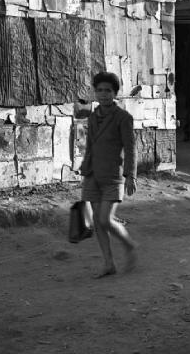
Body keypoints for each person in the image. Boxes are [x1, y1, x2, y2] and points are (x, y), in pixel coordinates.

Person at [79, 71, 138, 278]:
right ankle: (108, 263)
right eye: (100, 90)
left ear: (115, 93)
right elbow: (90, 146)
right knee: (97, 221)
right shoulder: (93, 116)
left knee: (105, 219)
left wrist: (130, 175)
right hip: (93, 174)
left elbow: (130, 148)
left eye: (108, 91)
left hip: (113, 175)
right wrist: (84, 168)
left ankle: (129, 245)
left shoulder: (123, 118)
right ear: (95, 93)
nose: (103, 95)